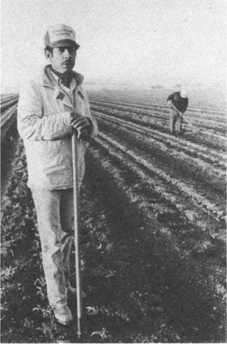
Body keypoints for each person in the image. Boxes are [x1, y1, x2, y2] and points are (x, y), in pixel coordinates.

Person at [17, 24, 98, 325]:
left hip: (73, 175)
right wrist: (66, 120)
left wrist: (88, 127)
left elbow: (88, 124)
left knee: (68, 239)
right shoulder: (34, 87)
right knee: (52, 242)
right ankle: (58, 301)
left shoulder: (78, 87)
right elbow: (27, 127)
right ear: (48, 53)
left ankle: (64, 284)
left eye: (71, 50)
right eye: (60, 50)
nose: (67, 55)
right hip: (47, 179)